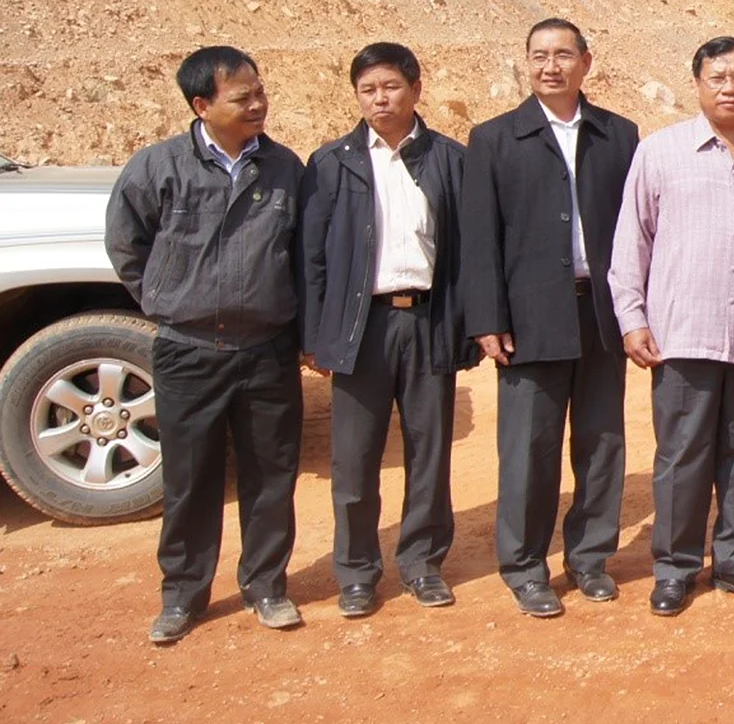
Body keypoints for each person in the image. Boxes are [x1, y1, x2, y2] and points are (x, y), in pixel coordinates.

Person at [105, 46, 306, 644]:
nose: (258, 104)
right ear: (202, 105)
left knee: (271, 477)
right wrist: (166, 297)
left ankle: (267, 586)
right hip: (188, 351)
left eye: (260, 92)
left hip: (267, 350)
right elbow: (127, 245)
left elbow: (302, 255)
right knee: (190, 480)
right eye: (243, 97)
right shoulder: (158, 167)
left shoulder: (285, 168)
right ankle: (183, 595)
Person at [612, 37, 734, 615]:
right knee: (682, 455)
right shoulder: (659, 153)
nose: (730, 88)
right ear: (697, 84)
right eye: (718, 78)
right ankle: (675, 568)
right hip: (682, 334)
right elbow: (631, 241)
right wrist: (631, 317)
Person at [461, 18, 639, 617]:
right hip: (530, 317)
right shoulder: (494, 138)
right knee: (528, 448)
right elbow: (479, 238)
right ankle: (525, 566)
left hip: (601, 314)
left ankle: (590, 558)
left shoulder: (618, 134)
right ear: (526, 63)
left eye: (563, 55)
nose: (550, 66)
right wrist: (488, 318)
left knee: (602, 443)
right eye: (539, 55)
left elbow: (637, 228)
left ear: (587, 61)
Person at [299, 42, 475, 617]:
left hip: (427, 321)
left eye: (391, 87)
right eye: (368, 89)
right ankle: (356, 573)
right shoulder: (332, 163)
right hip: (362, 327)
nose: (380, 99)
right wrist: (314, 337)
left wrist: (468, 326)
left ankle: (423, 565)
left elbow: (468, 251)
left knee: (429, 452)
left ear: (416, 90)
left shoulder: (451, 159)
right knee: (355, 459)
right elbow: (312, 259)